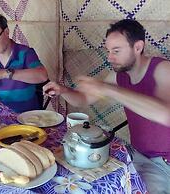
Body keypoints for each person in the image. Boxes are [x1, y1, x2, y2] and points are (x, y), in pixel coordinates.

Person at [43, 19, 170, 193]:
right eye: (108, 51)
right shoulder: (119, 76)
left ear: (138, 47)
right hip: (135, 154)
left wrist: (109, 89)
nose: (109, 57)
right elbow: (82, 100)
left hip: (163, 163)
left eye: (116, 51)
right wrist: (62, 90)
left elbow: (165, 114)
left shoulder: (162, 69)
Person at [0, 12, 48, 113]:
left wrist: (5, 73)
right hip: (2, 112)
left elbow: (42, 76)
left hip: (28, 115)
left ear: (6, 32)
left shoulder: (25, 53)